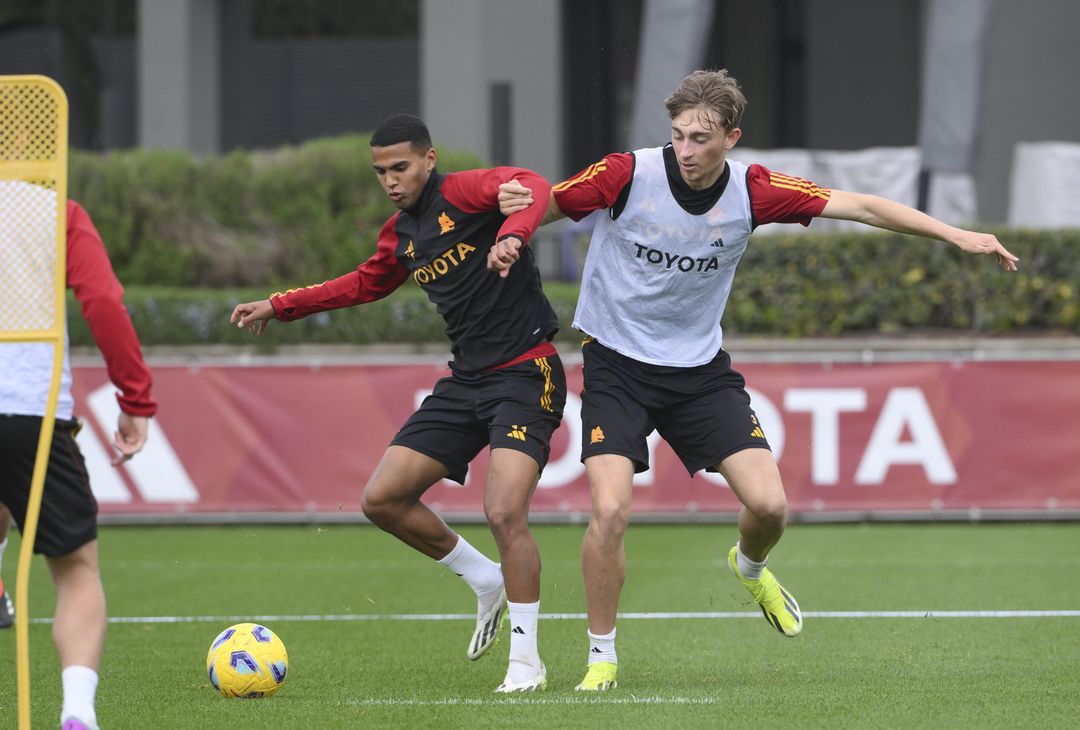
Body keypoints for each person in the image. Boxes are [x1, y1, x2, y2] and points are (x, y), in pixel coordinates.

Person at [490, 69, 1019, 692]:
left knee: (769, 506)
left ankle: (749, 567)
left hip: (699, 373)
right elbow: (549, 200)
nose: (686, 150)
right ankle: (601, 656)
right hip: (617, 366)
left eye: (702, 138)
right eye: (679, 136)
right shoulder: (624, 173)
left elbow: (863, 206)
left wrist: (956, 233)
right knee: (608, 511)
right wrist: (509, 228)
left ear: (731, 138)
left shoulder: (755, 191)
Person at [230, 114, 566, 693]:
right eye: (380, 171)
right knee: (382, 499)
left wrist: (512, 234)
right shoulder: (401, 235)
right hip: (466, 383)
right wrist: (280, 304)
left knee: (505, 512)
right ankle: (485, 579)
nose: (390, 180)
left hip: (525, 373)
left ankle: (527, 663)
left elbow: (533, 184)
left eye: (400, 167)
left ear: (429, 160)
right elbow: (363, 283)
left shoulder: (464, 192)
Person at [0, 192, 155, 730]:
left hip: (25, 409)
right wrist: (135, 399)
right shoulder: (52, 209)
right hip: (28, 408)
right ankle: (77, 712)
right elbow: (104, 302)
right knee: (76, 573)